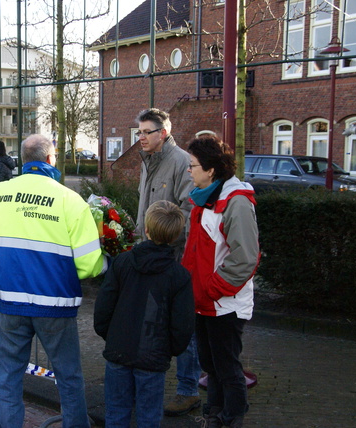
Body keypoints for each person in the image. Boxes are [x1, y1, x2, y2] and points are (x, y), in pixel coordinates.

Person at [0, 134, 107, 428]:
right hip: (54, 303)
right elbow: (89, 265)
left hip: (6, 299)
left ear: (23, 162)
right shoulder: (71, 202)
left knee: (9, 377)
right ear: (50, 160)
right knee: (68, 377)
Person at [94, 200, 195, 428]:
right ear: (176, 235)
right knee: (148, 418)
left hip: (119, 351)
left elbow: (103, 308)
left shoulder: (122, 262)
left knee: (116, 414)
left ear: (146, 229)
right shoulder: (179, 276)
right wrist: (169, 350)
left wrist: (110, 336)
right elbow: (183, 324)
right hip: (153, 357)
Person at [182, 135, 260, 428]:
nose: (189, 171)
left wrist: (213, 291)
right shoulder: (206, 197)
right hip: (204, 300)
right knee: (210, 365)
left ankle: (232, 418)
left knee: (227, 367)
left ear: (211, 170)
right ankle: (213, 413)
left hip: (223, 303)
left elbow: (246, 257)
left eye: (193, 166)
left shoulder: (235, 202)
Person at [134, 108, 202, 416]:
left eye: (146, 132)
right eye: (139, 132)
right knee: (151, 324)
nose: (140, 138)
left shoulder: (180, 162)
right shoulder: (148, 162)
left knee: (182, 325)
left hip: (172, 259)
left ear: (163, 133)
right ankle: (151, 385)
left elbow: (188, 213)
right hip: (148, 255)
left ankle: (188, 389)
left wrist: (162, 242)